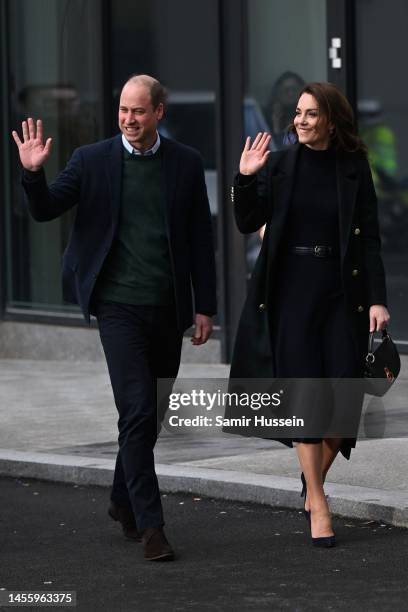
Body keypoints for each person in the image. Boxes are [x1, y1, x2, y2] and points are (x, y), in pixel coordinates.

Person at [12, 74, 216, 561]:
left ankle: (122, 501)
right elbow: (45, 211)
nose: (128, 120)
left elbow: (199, 243)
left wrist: (204, 305)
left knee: (152, 416)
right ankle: (152, 528)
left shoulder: (184, 163)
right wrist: (33, 174)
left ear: (159, 112)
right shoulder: (91, 160)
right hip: (117, 306)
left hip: (167, 308)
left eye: (139, 111)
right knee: (138, 410)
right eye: (123, 111)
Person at [229, 82, 390, 547]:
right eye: (297, 113)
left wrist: (377, 298)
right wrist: (244, 178)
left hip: (343, 292)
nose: (300, 121)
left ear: (331, 120)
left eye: (311, 114)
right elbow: (245, 221)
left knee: (343, 398)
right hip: (291, 290)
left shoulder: (354, 167)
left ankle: (311, 476)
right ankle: (318, 500)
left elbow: (370, 238)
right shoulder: (278, 165)